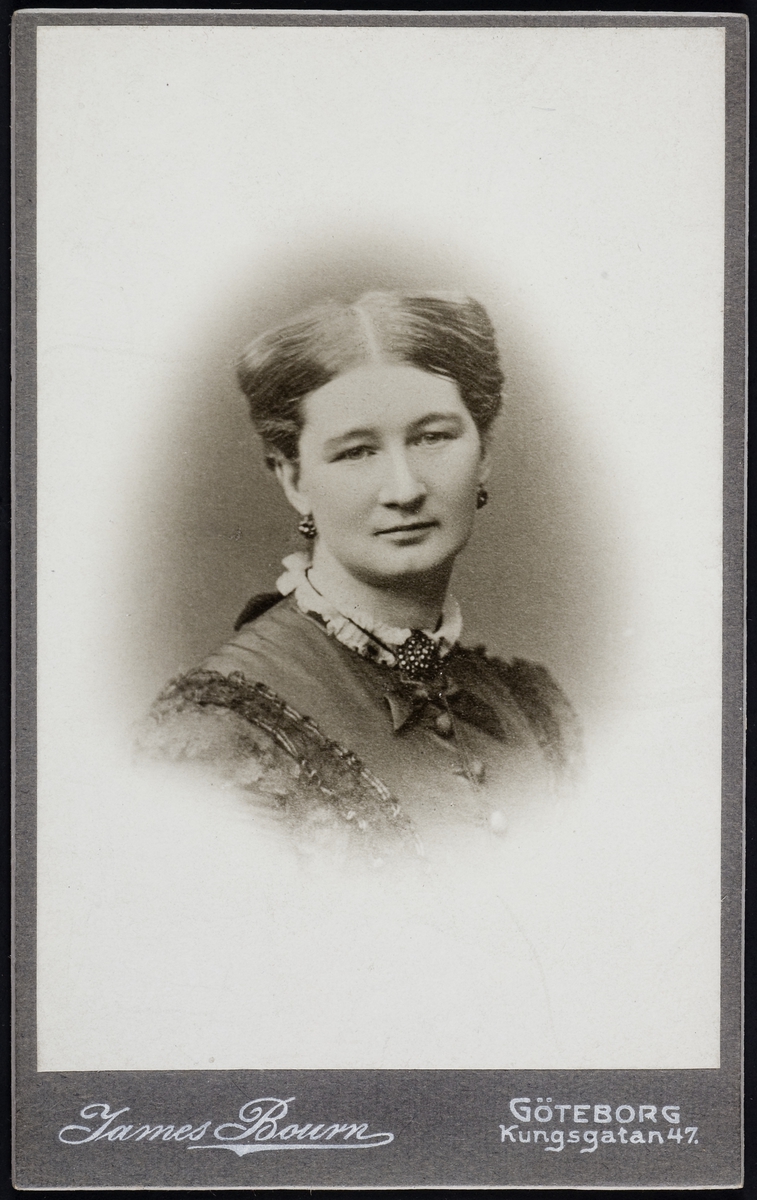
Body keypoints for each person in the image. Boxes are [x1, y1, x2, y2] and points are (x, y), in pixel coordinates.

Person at [139, 291, 580, 862]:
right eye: (356, 452)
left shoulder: (534, 709)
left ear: (485, 453)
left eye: (432, 437)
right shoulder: (216, 733)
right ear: (294, 479)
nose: (405, 490)